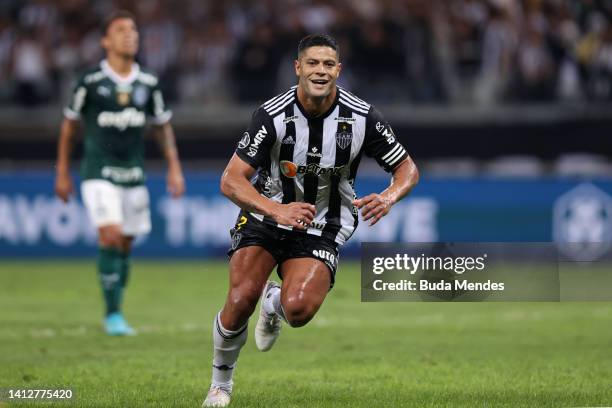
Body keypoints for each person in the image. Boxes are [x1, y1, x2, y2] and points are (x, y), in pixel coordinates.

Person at [203, 34, 419, 407]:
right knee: (240, 299)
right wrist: (276, 210)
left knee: (299, 310)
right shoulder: (271, 115)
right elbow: (230, 180)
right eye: (313, 63)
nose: (321, 71)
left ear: (339, 70)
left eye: (328, 64)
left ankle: (275, 304)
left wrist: (388, 196)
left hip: (324, 223)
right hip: (266, 215)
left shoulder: (362, 117)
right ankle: (220, 386)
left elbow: (407, 170)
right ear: (298, 68)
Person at [54, 10, 185, 336]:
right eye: (122, 30)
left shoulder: (148, 83)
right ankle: (113, 314)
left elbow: (162, 127)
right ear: (105, 41)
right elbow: (70, 126)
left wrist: (174, 168)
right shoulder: (90, 82)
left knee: (125, 242)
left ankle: (116, 303)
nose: (130, 35)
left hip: (133, 174)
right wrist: (62, 171)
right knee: (110, 234)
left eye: (134, 31)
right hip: (98, 171)